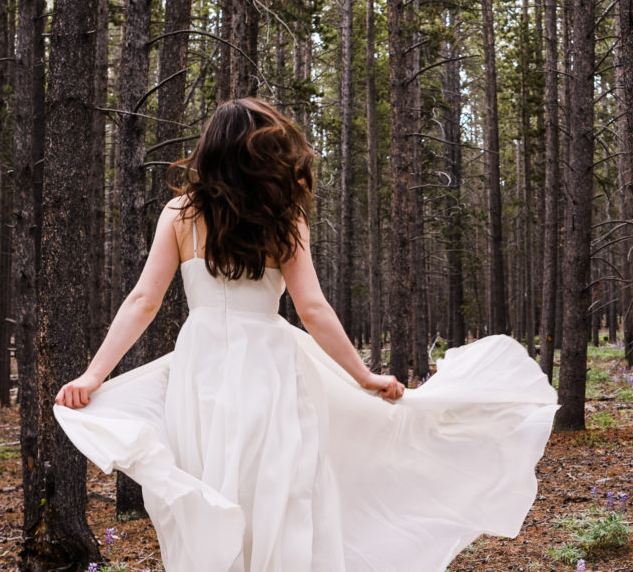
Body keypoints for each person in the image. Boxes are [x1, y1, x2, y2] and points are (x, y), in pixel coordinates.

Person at [54, 98, 558, 572]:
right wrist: (362, 376)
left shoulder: (182, 214)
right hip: (270, 364)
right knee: (279, 486)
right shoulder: (283, 217)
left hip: (201, 366)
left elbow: (145, 300)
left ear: (211, 151)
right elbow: (311, 309)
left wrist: (94, 375)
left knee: (216, 479)